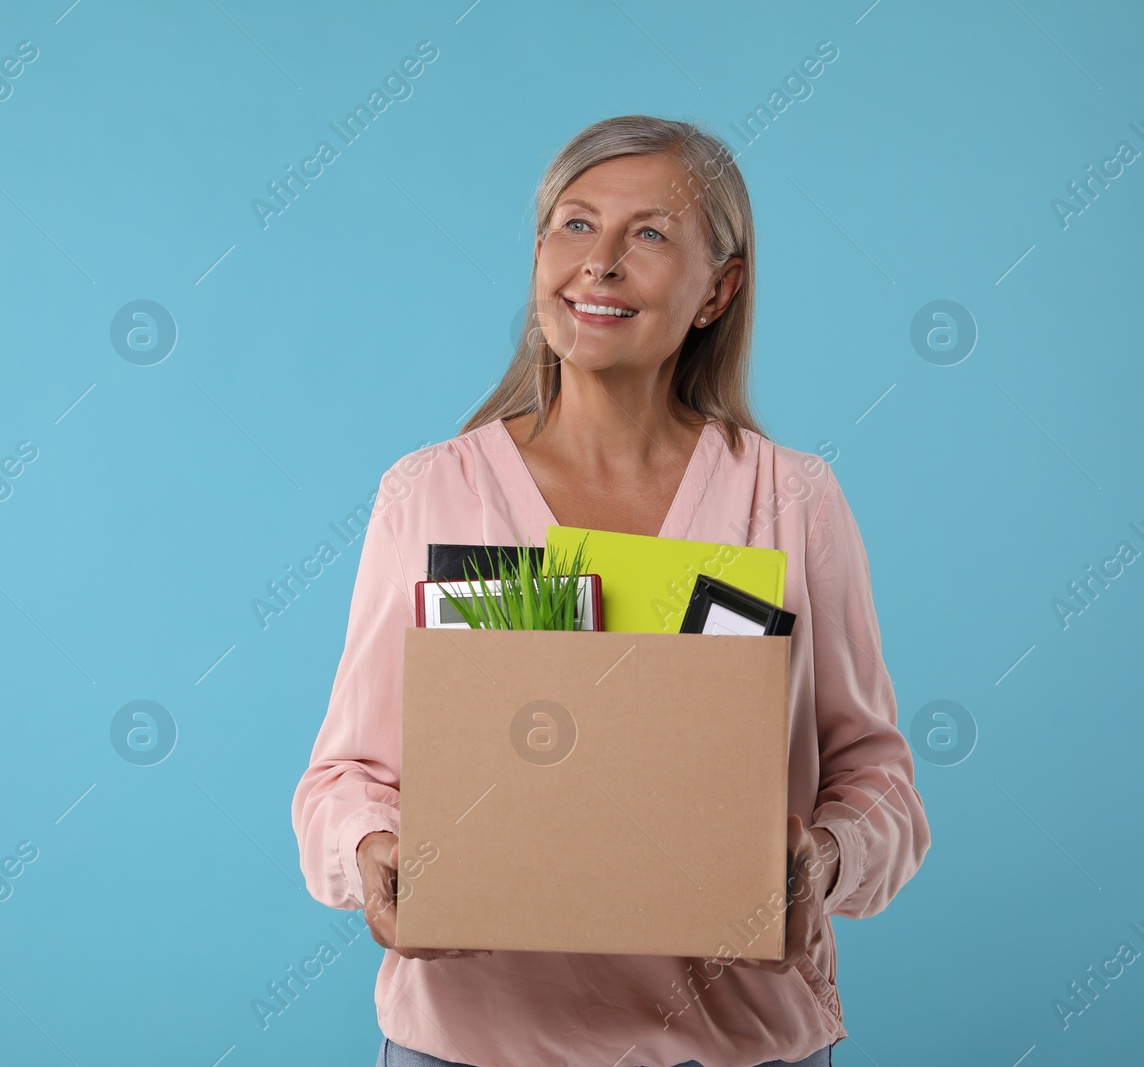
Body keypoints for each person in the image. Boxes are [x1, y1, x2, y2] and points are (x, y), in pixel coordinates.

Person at [290, 115, 931, 1067]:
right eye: (575, 224)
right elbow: (342, 781)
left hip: (740, 1045)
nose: (600, 263)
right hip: (472, 1044)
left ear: (720, 288)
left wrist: (824, 861)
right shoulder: (429, 493)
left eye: (652, 233)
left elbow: (880, 783)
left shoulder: (792, 499)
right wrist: (371, 856)